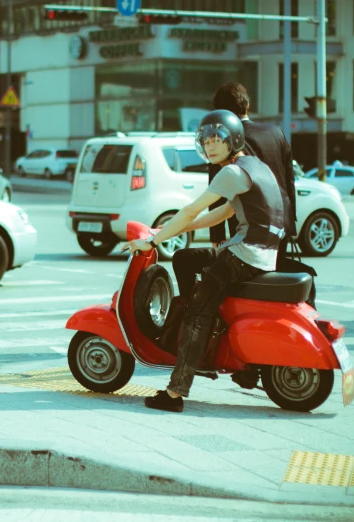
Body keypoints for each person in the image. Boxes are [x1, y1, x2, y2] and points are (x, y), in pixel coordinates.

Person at [123, 110, 285, 413]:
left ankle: (174, 392)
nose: (210, 147)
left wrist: (152, 241)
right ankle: (194, 321)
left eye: (217, 141)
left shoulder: (231, 172)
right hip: (257, 252)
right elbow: (223, 213)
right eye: (206, 141)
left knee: (198, 313)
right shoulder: (253, 165)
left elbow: (191, 210)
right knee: (185, 258)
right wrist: (169, 230)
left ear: (233, 140)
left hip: (245, 255)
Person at [174, 81, 296, 300]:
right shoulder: (276, 132)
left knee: (234, 288)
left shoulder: (221, 139)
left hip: (246, 228)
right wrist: (291, 224)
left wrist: (217, 237)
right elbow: (289, 181)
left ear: (218, 113)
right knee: (272, 288)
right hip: (280, 224)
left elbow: (217, 192)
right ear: (247, 105)